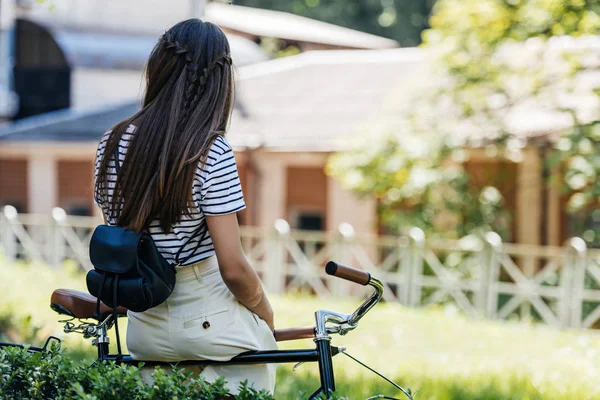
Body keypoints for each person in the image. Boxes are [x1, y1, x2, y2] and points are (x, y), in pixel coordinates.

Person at [93, 19, 277, 395]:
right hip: (209, 322)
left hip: (145, 328)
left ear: (158, 67)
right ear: (220, 80)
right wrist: (264, 312)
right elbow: (233, 267)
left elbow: (127, 245)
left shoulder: (111, 143)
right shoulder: (210, 149)